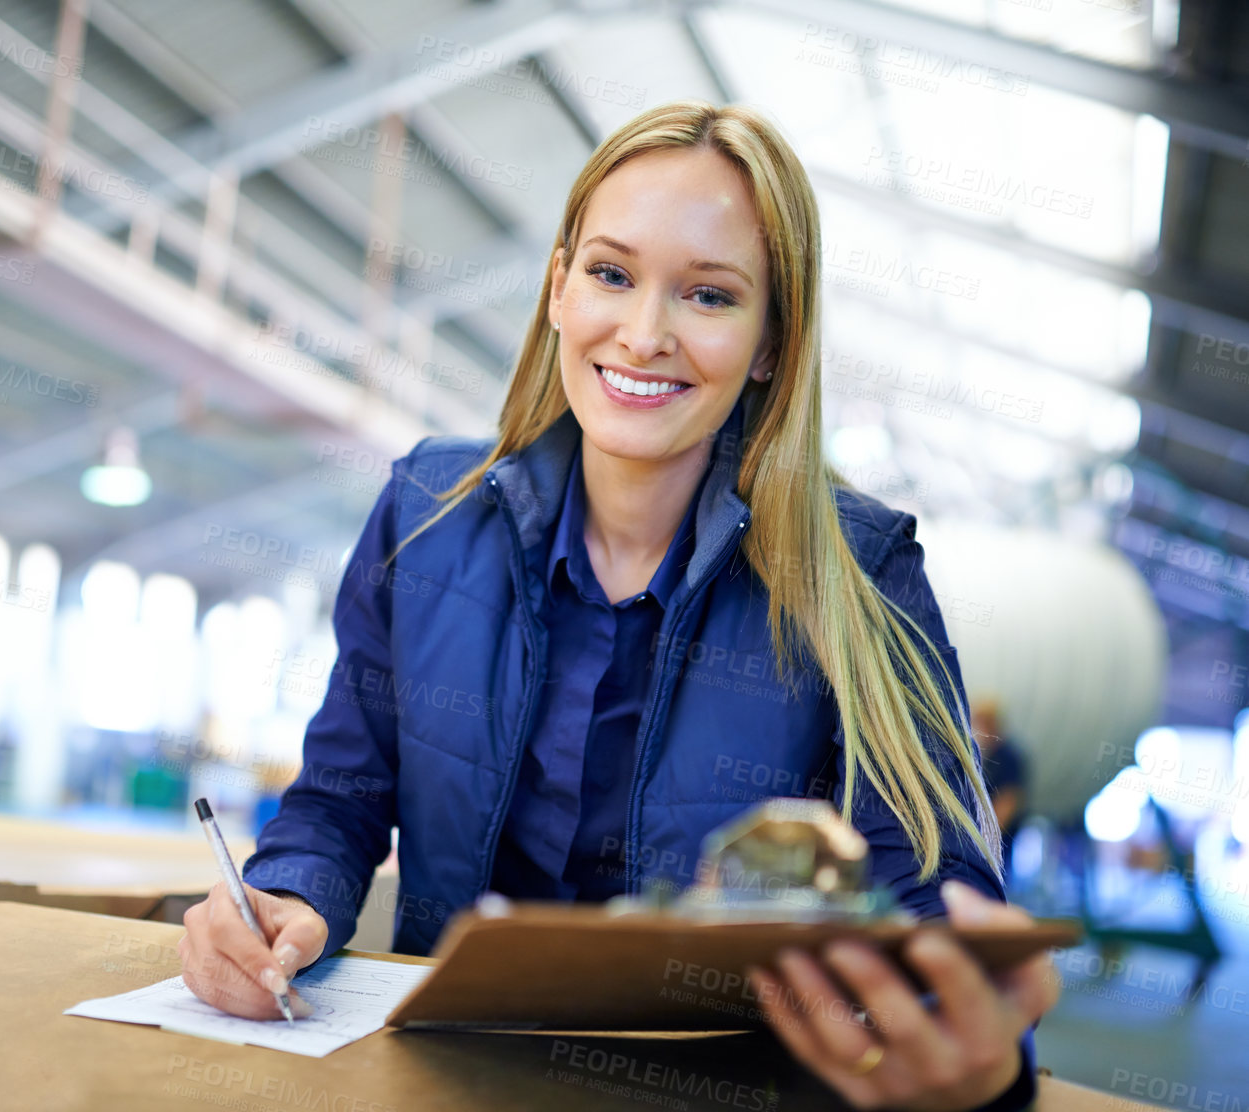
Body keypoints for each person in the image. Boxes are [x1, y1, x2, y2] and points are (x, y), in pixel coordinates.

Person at [178, 100, 1058, 1112]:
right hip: (447, 1077)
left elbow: (926, 886)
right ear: (557, 287)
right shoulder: (421, 519)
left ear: (772, 340)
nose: (643, 334)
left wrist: (956, 1033)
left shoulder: (861, 576)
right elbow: (339, 798)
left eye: (709, 295)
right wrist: (285, 892)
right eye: (610, 273)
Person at [972, 699, 1028, 866]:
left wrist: (985, 840)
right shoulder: (985, 754)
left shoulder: (1008, 757)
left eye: (980, 720)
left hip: (996, 843)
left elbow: (1008, 802)